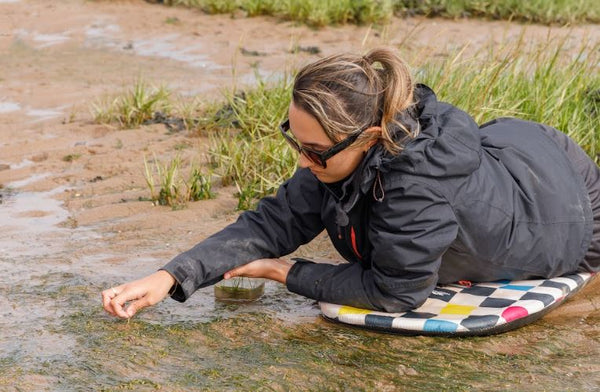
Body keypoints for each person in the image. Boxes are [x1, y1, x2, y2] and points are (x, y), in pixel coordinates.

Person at [102, 47, 600, 319]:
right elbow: (274, 219)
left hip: (570, 204)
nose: (301, 160)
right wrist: (170, 277)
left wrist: (284, 272)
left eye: (314, 151)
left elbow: (396, 292)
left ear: (372, 136)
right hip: (517, 153)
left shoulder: (414, 188)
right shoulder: (336, 154)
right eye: (292, 140)